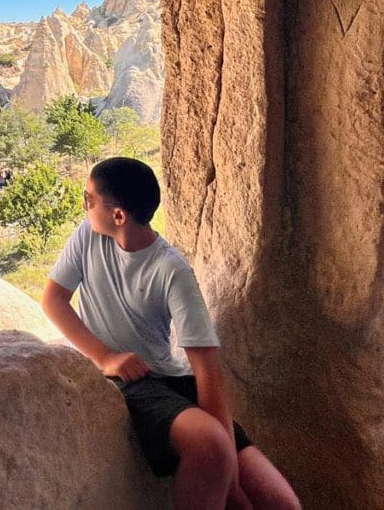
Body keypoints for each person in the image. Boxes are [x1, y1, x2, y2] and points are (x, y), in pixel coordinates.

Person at [41, 157, 300, 510]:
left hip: (169, 379)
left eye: (89, 199)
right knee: (209, 443)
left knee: (281, 503)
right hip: (130, 382)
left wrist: (231, 480)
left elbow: (206, 368)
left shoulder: (170, 269)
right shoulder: (87, 237)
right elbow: (54, 299)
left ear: (119, 216)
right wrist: (105, 357)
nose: (84, 206)